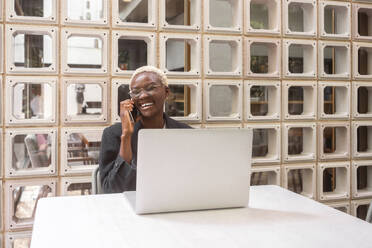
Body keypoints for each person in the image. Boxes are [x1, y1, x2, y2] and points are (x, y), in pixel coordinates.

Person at [99, 66, 191, 193]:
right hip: (131, 208)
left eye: (151, 88)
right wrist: (126, 136)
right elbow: (112, 189)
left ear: (166, 92)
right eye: (136, 91)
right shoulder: (113, 134)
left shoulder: (187, 134)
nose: (142, 96)